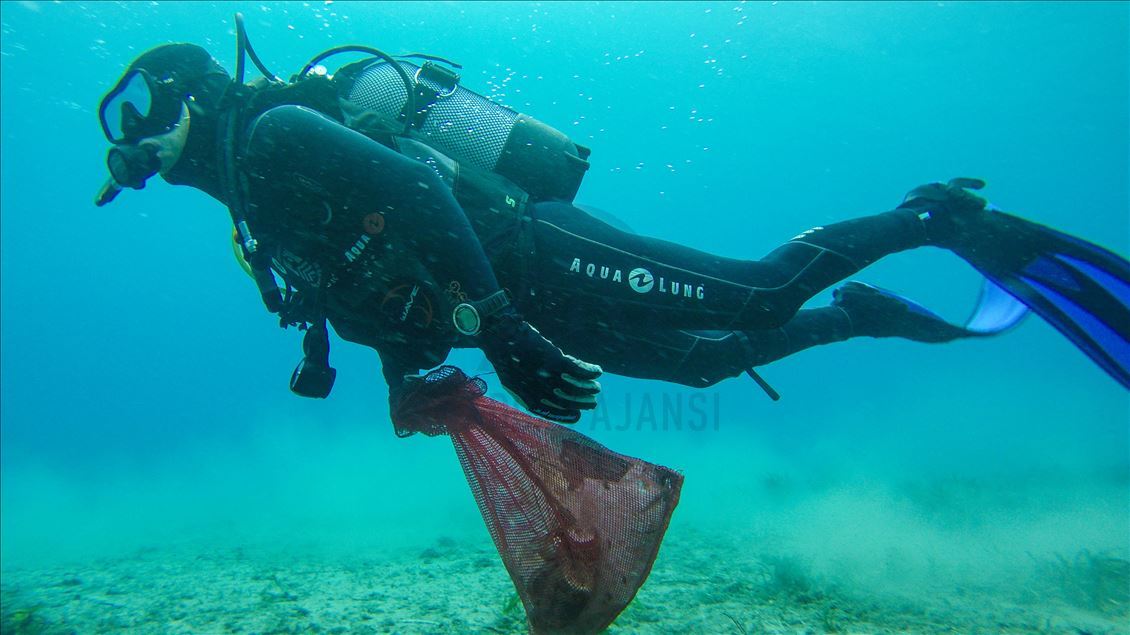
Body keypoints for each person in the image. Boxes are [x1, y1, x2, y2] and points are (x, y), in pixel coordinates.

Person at [94, 37, 1130, 424]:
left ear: (190, 94)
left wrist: (496, 320)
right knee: (703, 365)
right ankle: (853, 315)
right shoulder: (257, 215)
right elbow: (359, 285)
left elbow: (416, 198)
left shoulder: (275, 133)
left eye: (138, 106)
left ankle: (927, 217)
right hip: (509, 301)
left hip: (529, 250)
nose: (131, 138)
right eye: (118, 121)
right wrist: (406, 380)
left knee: (752, 293)